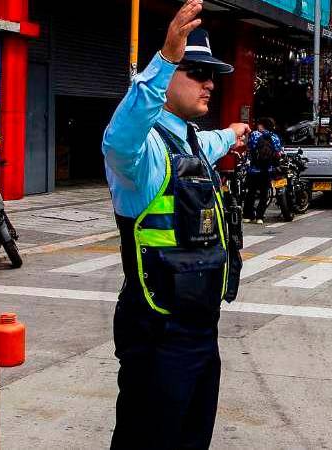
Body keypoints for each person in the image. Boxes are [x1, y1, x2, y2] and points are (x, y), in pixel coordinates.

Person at [99, 2, 246, 448]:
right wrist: (164, 59)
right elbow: (117, 140)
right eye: (195, 72)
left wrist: (235, 133)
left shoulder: (193, 142)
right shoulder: (143, 154)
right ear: (165, 83)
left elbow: (214, 140)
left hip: (203, 328)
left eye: (212, 75)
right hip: (159, 333)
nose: (208, 84)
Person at [244, 117, 282, 224]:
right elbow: (278, 152)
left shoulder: (255, 135)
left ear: (262, 125)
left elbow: (250, 147)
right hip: (267, 170)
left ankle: (247, 215)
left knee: (250, 193)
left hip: (253, 170)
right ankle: (259, 217)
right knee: (264, 194)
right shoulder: (275, 137)